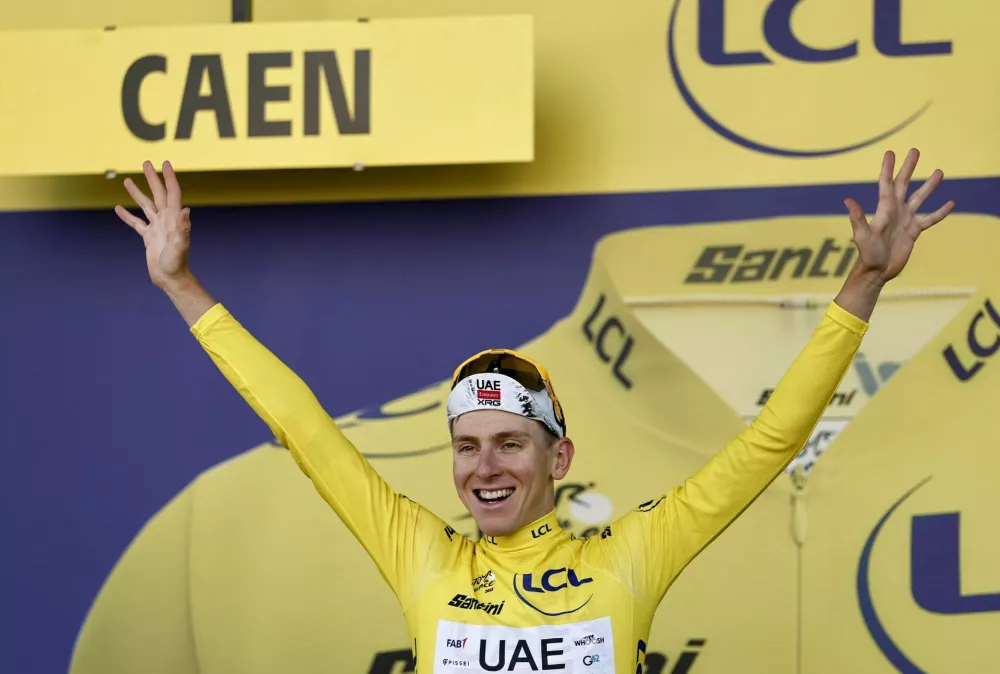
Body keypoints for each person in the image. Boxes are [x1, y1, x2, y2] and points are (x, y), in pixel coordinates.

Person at [114, 149, 953, 673]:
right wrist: (183, 286)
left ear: (560, 457)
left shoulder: (630, 554)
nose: (484, 467)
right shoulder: (423, 557)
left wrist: (865, 281)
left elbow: (771, 440)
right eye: (467, 446)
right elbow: (303, 428)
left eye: (510, 443)